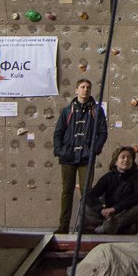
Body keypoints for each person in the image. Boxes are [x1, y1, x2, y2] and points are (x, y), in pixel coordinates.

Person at [53, 78, 109, 234]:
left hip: (86, 157)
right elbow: (58, 133)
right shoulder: (67, 111)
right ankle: (63, 226)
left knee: (86, 191)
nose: (85, 90)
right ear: (76, 90)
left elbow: (103, 132)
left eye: (88, 87)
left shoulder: (97, 111)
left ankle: (84, 225)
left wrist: (94, 150)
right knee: (67, 191)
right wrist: (59, 150)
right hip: (68, 156)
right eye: (82, 87)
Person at [82, 146, 138, 235]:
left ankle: (107, 227)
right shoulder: (108, 177)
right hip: (108, 217)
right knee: (85, 202)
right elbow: (91, 195)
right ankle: (107, 227)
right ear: (116, 161)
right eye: (123, 157)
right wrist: (101, 210)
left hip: (124, 218)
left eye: (129, 157)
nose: (126, 160)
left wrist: (115, 209)